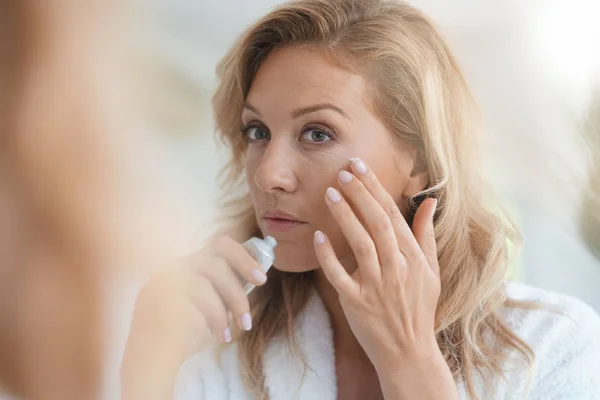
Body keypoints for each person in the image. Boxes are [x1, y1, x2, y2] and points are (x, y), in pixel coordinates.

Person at [120, 0, 600, 399]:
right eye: (258, 131)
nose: (268, 173)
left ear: (421, 164)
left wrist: (410, 360)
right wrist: (146, 369)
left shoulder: (554, 347)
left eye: (317, 133)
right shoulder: (218, 345)